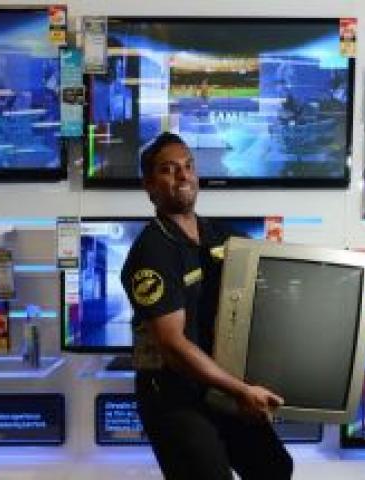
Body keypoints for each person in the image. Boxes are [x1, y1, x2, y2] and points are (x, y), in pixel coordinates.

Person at [121, 132, 293, 480]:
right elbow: (172, 345)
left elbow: (265, 278)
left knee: (274, 467)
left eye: (188, 166)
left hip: (217, 384)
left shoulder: (215, 234)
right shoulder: (151, 252)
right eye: (169, 170)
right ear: (149, 186)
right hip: (173, 393)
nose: (183, 176)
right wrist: (241, 391)